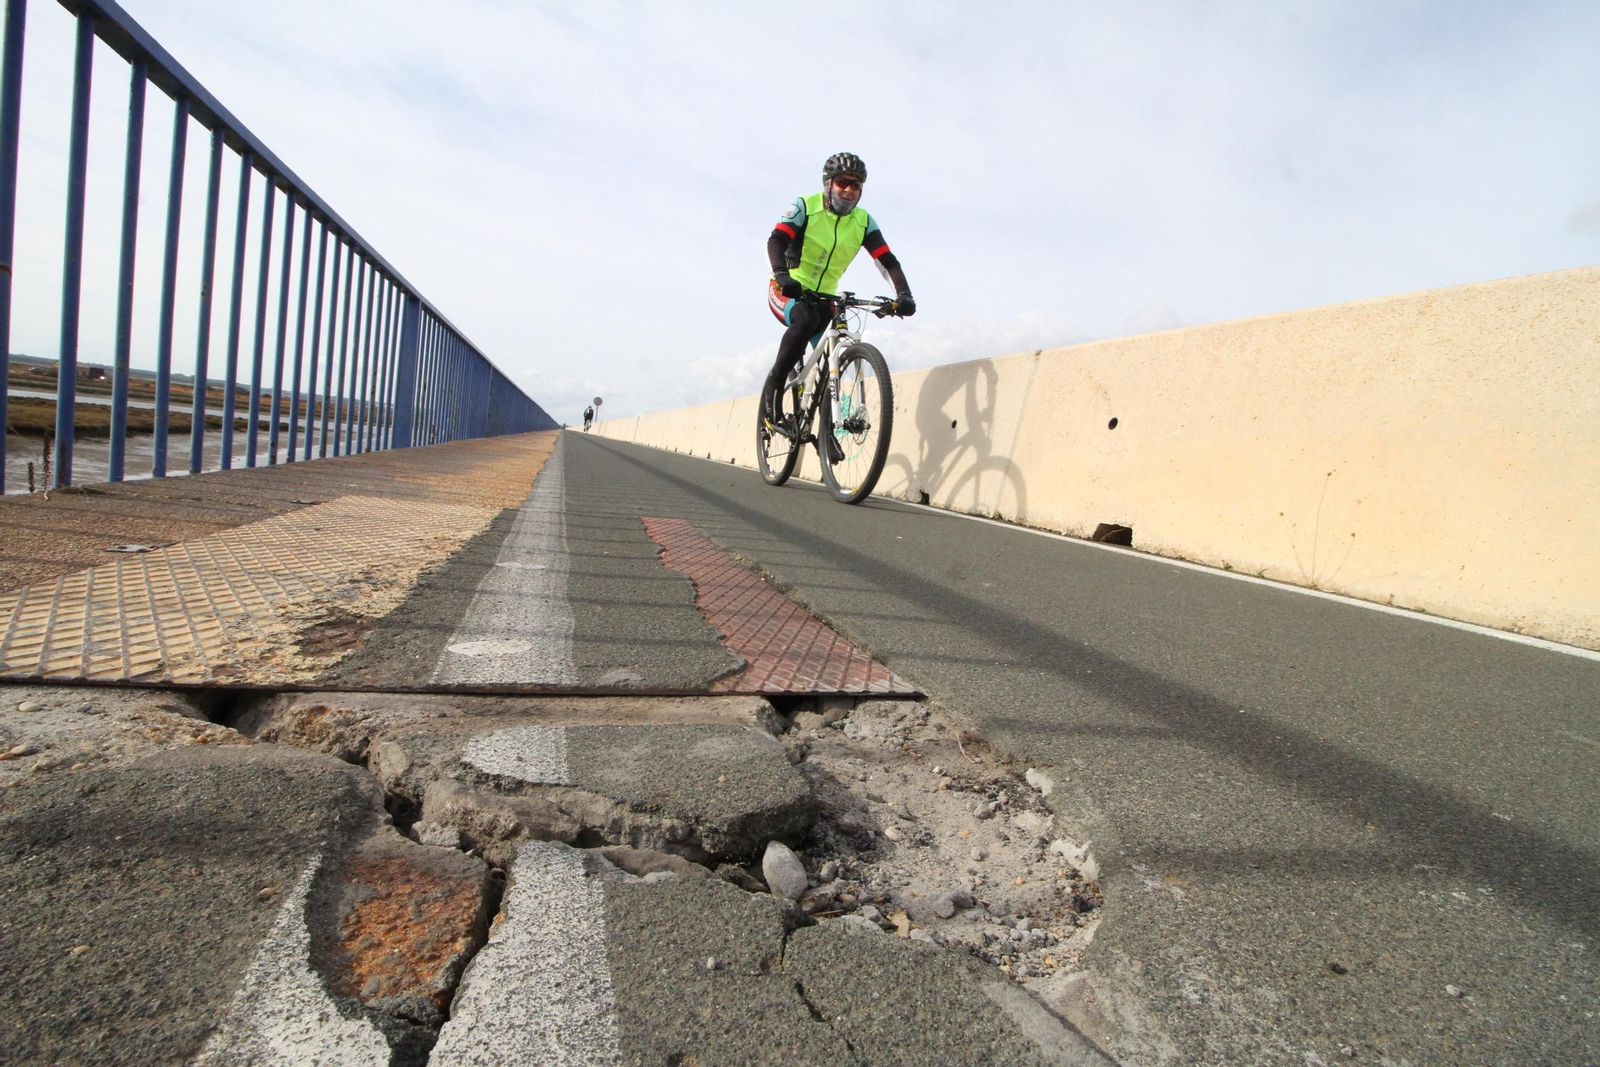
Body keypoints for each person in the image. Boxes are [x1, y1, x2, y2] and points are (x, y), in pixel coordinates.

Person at [764, 152, 915, 430]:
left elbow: (887, 260)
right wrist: (782, 275)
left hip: (825, 297)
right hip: (788, 289)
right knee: (805, 319)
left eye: (856, 185)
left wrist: (904, 295)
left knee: (828, 359)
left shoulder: (863, 221)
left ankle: (824, 432)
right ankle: (773, 392)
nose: (848, 190)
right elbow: (776, 240)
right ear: (828, 184)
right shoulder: (805, 206)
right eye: (842, 182)